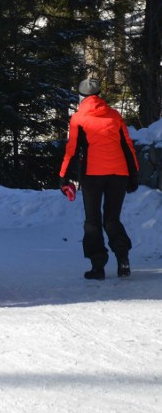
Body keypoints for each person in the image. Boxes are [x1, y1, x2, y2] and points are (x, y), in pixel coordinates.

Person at [59, 78, 140, 280]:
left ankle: (98, 266)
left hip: (92, 175)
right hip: (119, 174)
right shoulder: (114, 115)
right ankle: (123, 259)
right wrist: (133, 174)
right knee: (112, 218)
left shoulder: (78, 118)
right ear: (99, 95)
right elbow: (127, 146)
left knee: (92, 220)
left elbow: (72, 150)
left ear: (82, 97)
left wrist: (63, 177)